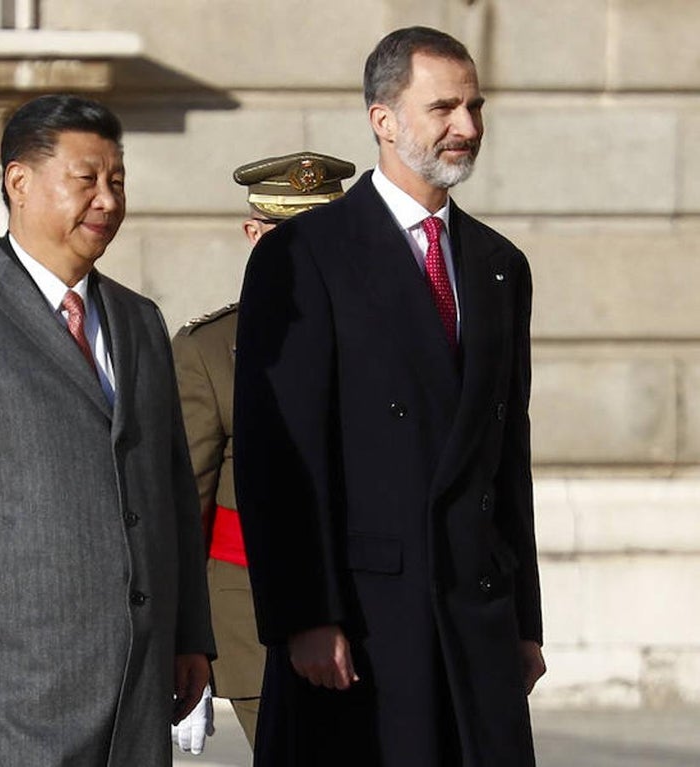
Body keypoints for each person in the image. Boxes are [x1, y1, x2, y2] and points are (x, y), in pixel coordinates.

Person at [233, 26, 546, 766]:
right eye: (443, 108)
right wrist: (305, 615)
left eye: (474, 107)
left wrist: (525, 621)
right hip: (362, 625)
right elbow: (280, 455)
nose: (466, 127)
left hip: (475, 616)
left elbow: (509, 458)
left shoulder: (501, 265)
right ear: (383, 119)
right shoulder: (304, 254)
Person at [0, 93, 215, 766]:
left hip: (137, 681)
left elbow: (174, 490)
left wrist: (191, 635)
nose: (108, 200)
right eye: (86, 179)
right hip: (8, 685)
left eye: (117, 181)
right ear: (19, 183)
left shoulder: (139, 319)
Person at [170, 150, 355, 751]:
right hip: (256, 628)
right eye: (286, 235)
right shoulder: (209, 349)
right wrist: (183, 646)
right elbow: (184, 509)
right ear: (255, 235)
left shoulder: (387, 335)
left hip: (380, 614)